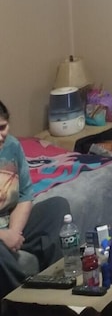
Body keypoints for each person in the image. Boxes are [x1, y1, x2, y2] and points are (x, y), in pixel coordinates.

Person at [0, 99, 70, 297]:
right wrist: (4, 236)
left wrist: (14, 232)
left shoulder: (12, 146)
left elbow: (24, 195)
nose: (0, 136)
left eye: (3, 127)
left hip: (10, 222)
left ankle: (60, 286)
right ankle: (27, 306)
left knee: (57, 207)